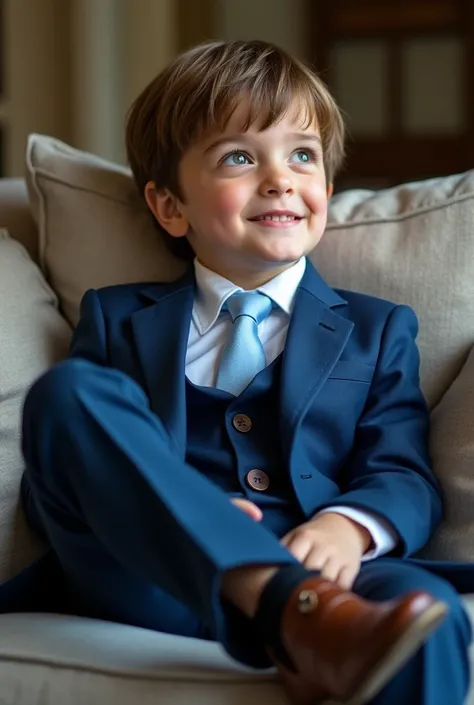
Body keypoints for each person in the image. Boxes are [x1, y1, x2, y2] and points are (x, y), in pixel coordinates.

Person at [14, 40, 472, 705]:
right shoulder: (117, 318)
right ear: (171, 207)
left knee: (427, 613)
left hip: (329, 566)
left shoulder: (376, 328)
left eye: (302, 155)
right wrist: (185, 513)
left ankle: (312, 615)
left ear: (326, 188)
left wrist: (347, 524)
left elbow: (401, 471)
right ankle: (294, 613)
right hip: (158, 579)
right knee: (69, 395)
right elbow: (72, 467)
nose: (280, 178)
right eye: (238, 156)